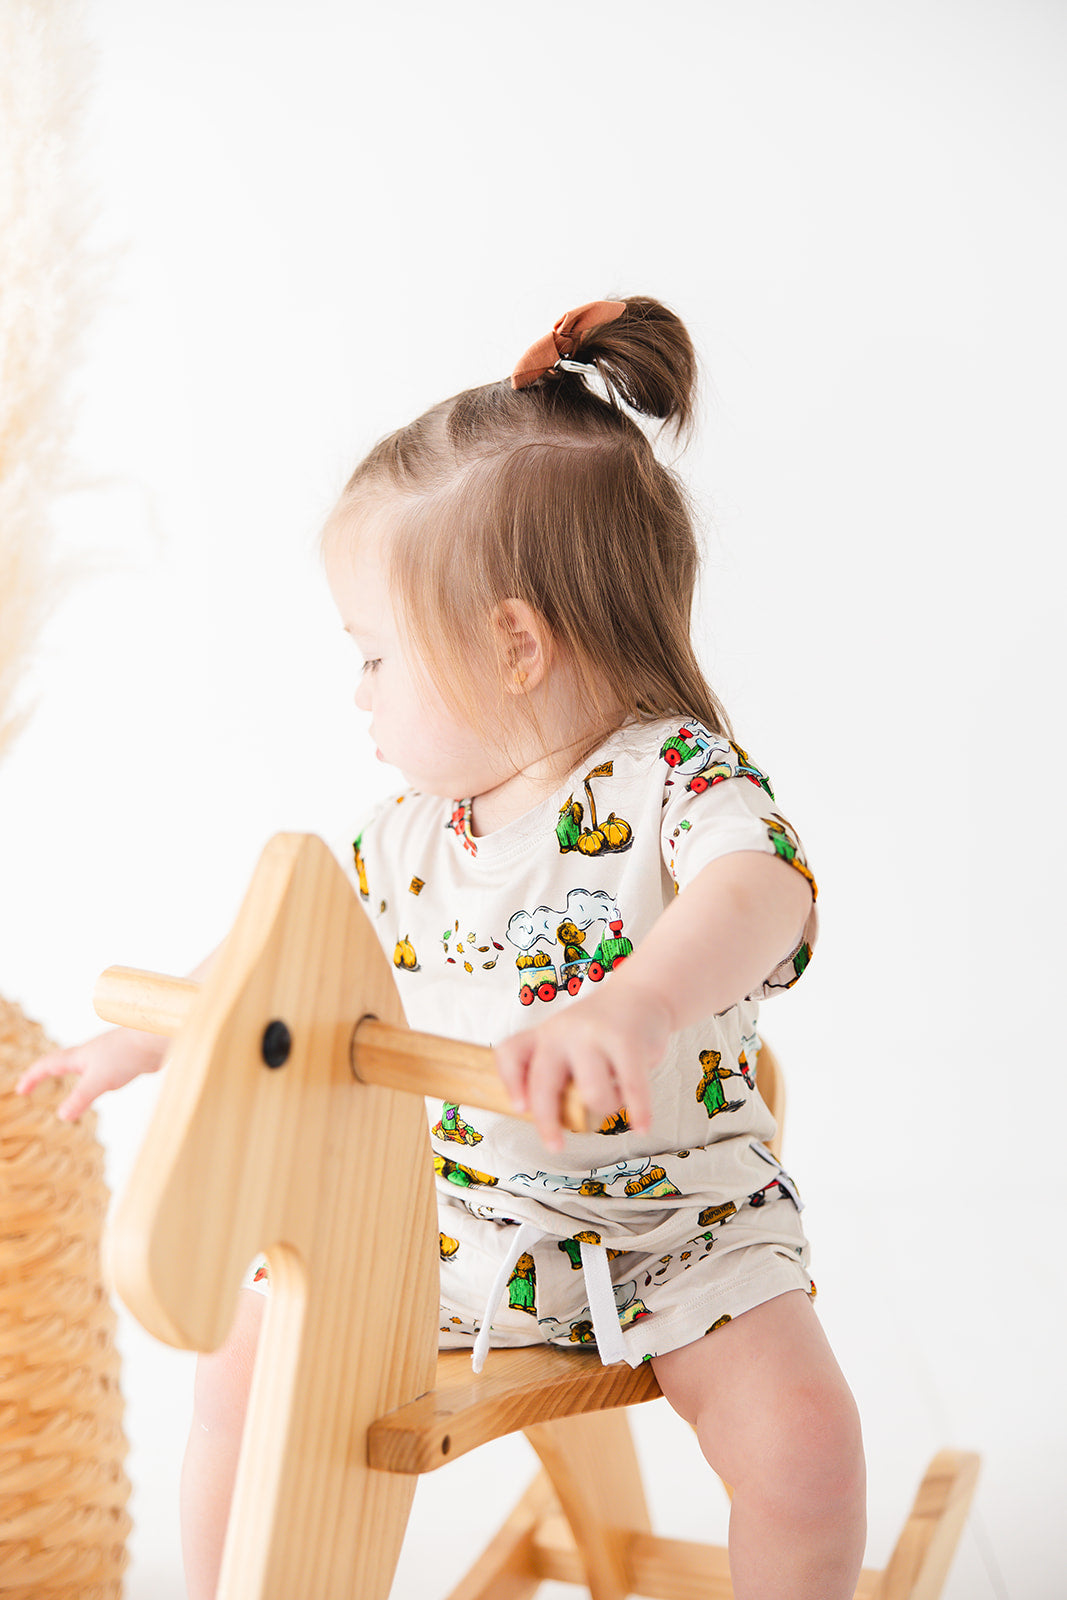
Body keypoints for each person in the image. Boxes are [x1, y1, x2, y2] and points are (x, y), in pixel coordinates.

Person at [17, 296, 866, 1600]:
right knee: (242, 1364)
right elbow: (273, 966)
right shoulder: (410, 838)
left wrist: (637, 1006)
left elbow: (766, 891)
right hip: (447, 1231)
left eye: (373, 658)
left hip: (682, 1231)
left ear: (511, 646)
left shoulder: (673, 784)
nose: (357, 696)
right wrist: (141, 1037)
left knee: (805, 1446)